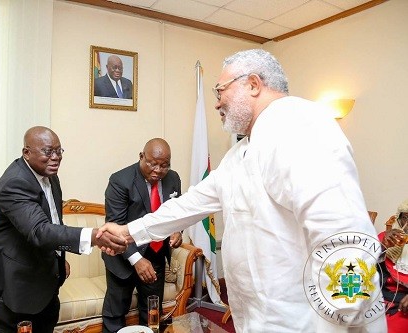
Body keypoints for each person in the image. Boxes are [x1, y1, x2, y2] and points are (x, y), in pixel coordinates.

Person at [97, 49, 387, 332]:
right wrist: (129, 232)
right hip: (259, 316)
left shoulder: (299, 126)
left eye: (220, 91)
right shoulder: (240, 153)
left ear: (253, 84)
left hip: (306, 319)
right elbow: (189, 205)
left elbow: (342, 234)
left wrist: (347, 314)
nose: (216, 103)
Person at [0, 126, 127, 333]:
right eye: (48, 151)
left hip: (42, 278)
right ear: (26, 152)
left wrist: (59, 259)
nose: (55, 157)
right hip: (12, 282)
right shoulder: (14, 183)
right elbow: (39, 231)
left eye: (59, 151)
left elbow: (53, 220)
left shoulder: (50, 176)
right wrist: (94, 236)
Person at [101, 138, 182, 333]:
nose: (158, 170)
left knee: (152, 312)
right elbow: (115, 228)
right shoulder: (120, 181)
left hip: (155, 254)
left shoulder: (173, 178)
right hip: (123, 255)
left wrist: (177, 230)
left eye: (164, 165)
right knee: (115, 314)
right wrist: (137, 260)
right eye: (152, 163)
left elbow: (177, 212)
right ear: (141, 156)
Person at [378, 199, 408, 333]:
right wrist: (382, 247)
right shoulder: (386, 238)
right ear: (399, 219)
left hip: (403, 304)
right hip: (376, 297)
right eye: (406, 218)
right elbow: (361, 267)